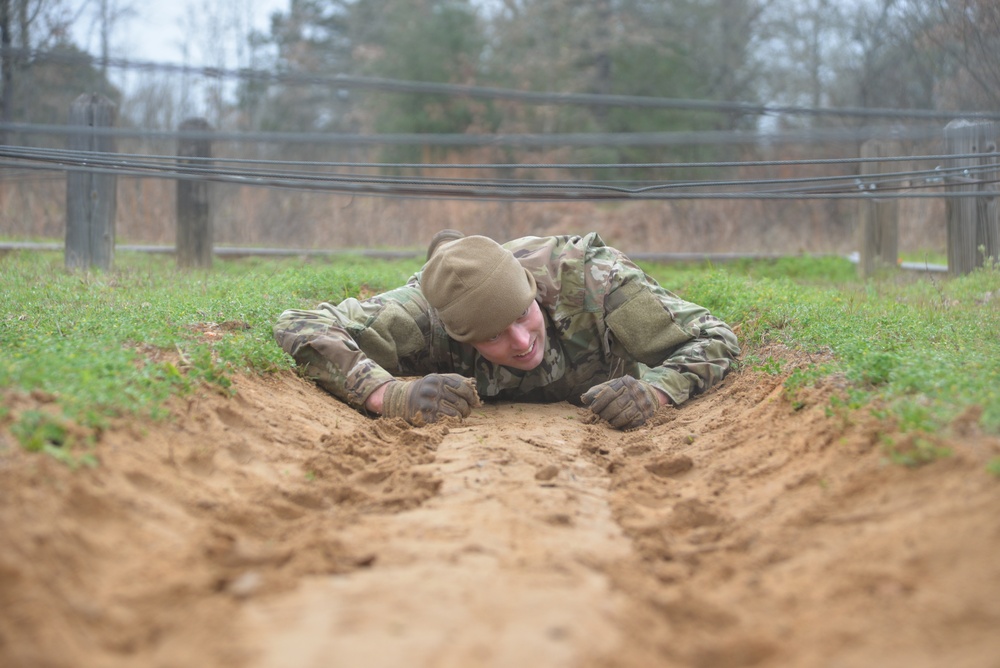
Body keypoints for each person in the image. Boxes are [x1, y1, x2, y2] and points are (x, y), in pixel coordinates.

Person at [273, 231, 740, 430]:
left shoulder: (594, 281)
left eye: (522, 316)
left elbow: (715, 339)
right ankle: (449, 248)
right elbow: (299, 324)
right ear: (458, 334)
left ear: (534, 291)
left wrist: (655, 393)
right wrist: (386, 395)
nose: (520, 343)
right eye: (492, 336)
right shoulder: (424, 314)